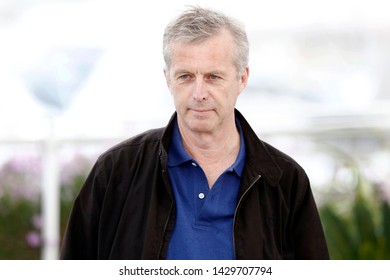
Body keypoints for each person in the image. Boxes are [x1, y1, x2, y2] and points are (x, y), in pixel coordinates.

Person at [60, 6, 329, 260]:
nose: (199, 94)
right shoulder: (116, 173)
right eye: (185, 76)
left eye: (213, 77)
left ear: (242, 79)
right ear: (168, 79)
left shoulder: (284, 181)